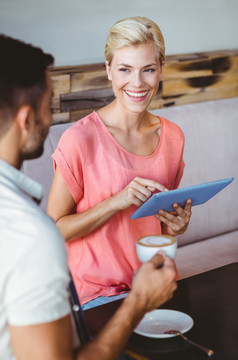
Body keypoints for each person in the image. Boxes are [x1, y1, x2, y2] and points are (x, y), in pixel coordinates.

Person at [0, 33, 177, 360]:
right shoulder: (30, 235)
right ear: (26, 119)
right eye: (49, 105)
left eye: (148, 69)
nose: (53, 117)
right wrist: (138, 302)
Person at [47, 16, 192, 310]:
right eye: (125, 69)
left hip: (156, 283)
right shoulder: (79, 139)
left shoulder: (173, 137)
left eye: (148, 69)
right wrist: (117, 201)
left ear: (161, 69)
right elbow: (53, 230)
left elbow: (160, 228)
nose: (137, 83)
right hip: (99, 295)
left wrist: (176, 226)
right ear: (109, 70)